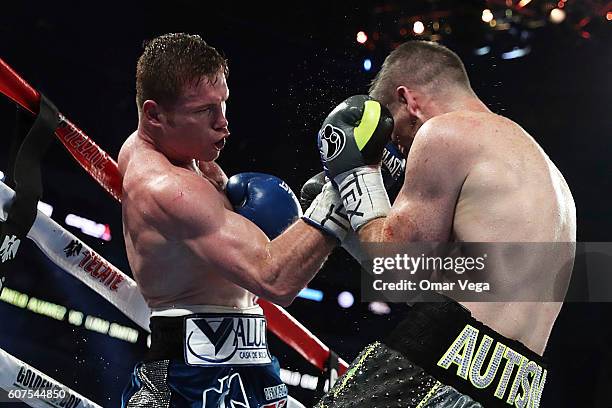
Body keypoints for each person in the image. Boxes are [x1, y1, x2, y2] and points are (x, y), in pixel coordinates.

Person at [314, 41, 576, 408]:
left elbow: (392, 270)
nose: (397, 146)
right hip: (521, 389)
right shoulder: (549, 176)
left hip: (441, 361)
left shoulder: (445, 132)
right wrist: (348, 225)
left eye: (394, 130)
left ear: (408, 100)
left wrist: (355, 176)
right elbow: (415, 284)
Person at [117, 33, 361, 408]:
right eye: (204, 111)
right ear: (153, 115)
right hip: (194, 373)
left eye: (223, 105)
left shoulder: (176, 153)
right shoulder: (166, 186)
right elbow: (275, 280)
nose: (224, 124)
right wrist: (344, 188)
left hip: (244, 358)